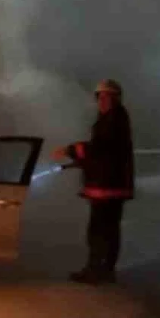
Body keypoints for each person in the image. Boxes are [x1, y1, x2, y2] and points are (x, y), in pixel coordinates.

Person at [53, 79, 135, 284]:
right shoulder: (112, 119)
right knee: (106, 229)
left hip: (107, 186)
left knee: (100, 231)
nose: (102, 100)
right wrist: (81, 161)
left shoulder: (113, 121)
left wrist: (71, 150)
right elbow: (103, 153)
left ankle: (97, 271)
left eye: (106, 97)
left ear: (116, 99)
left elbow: (100, 148)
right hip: (108, 185)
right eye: (99, 97)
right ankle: (104, 270)